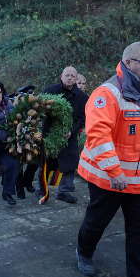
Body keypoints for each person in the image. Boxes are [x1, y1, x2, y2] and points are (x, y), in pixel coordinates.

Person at [75, 41, 140, 277]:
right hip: (109, 179)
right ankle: (84, 252)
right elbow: (98, 135)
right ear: (129, 63)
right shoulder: (107, 93)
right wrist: (115, 171)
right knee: (97, 221)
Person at [41, 66, 88, 204]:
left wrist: (71, 131)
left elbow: (81, 118)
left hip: (70, 135)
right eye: (67, 75)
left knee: (71, 162)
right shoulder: (50, 91)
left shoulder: (82, 97)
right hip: (50, 133)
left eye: (73, 76)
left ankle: (64, 191)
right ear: (61, 76)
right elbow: (41, 110)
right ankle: (42, 188)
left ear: (76, 78)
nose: (70, 78)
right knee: (46, 161)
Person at [13, 85, 38, 199]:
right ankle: (19, 189)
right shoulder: (15, 109)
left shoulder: (35, 109)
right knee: (18, 165)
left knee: (34, 163)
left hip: (32, 139)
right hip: (16, 140)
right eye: (27, 96)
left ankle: (27, 182)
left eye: (32, 95)